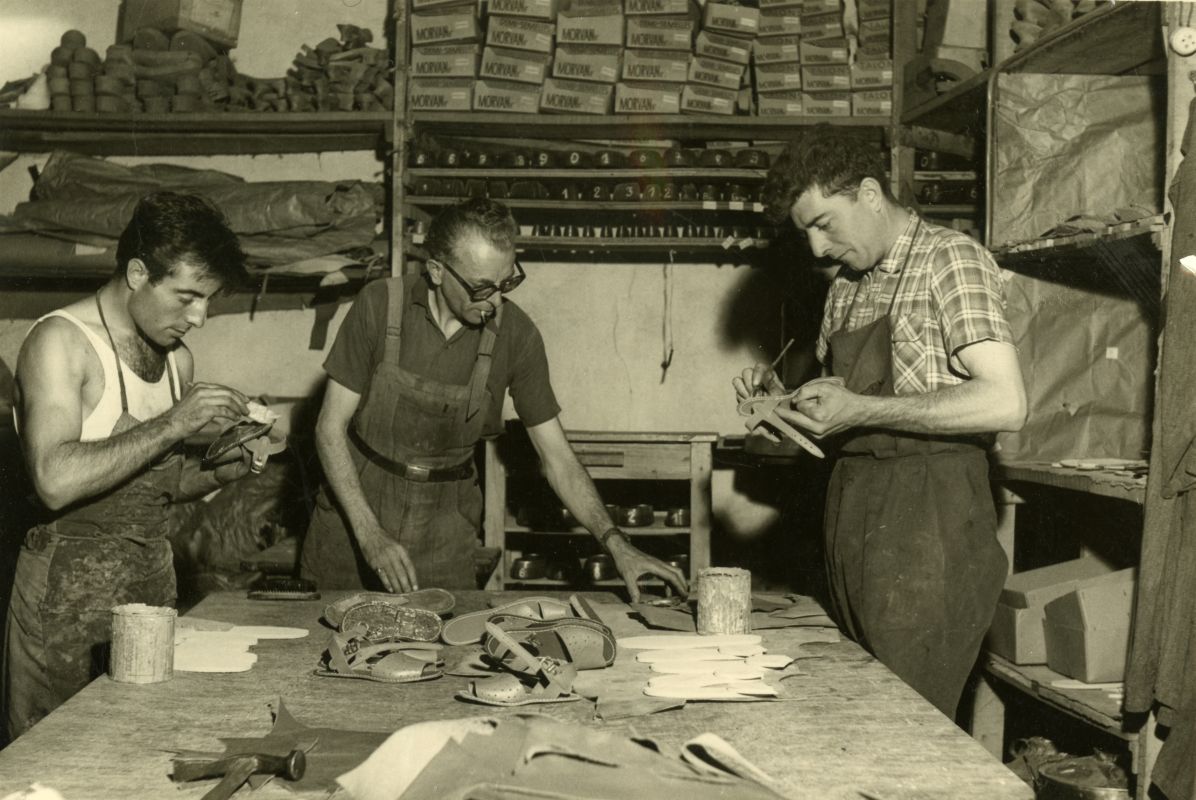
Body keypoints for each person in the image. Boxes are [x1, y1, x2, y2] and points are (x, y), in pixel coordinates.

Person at [733, 129, 1028, 718]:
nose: (816, 249)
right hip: (853, 514)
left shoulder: (949, 259)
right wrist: (780, 407)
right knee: (856, 710)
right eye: (805, 233)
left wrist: (862, 410)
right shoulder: (846, 287)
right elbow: (839, 407)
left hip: (931, 522)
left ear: (870, 193)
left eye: (824, 223)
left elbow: (1005, 403)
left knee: (909, 723)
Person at [300, 198, 688, 601]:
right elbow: (329, 429)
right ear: (436, 270)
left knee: (443, 653)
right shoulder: (379, 306)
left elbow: (558, 460)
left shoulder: (517, 337)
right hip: (353, 515)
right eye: (481, 287)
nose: (496, 300)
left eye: (506, 283)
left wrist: (616, 543)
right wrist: (368, 534)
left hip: (443, 530)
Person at [4, 192, 253, 740]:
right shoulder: (61, 342)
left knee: (140, 746)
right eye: (187, 297)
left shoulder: (175, 361)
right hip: (65, 600)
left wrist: (216, 472)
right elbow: (53, 479)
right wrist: (173, 424)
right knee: (57, 762)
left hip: (148, 592)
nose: (200, 318)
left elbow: (149, 488)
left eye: (207, 300)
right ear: (138, 273)